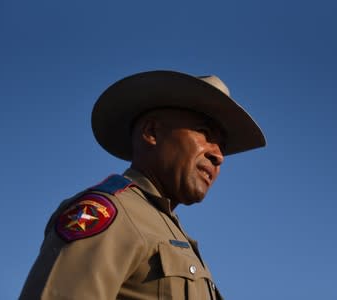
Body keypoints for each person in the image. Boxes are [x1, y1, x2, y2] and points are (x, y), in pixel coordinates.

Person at [19, 70, 266, 299]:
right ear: (152, 132)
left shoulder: (166, 229)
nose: (218, 156)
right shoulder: (111, 212)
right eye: (205, 134)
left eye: (222, 146)